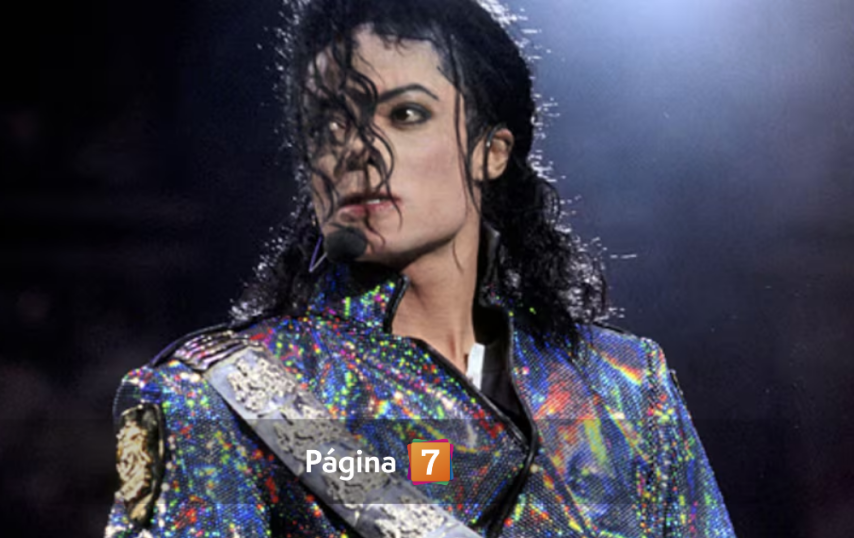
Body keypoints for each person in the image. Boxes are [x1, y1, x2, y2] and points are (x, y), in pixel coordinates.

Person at [105, 0, 736, 536]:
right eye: (328, 123)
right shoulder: (220, 397)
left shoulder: (625, 386)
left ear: (491, 151)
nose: (358, 149)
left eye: (405, 114)